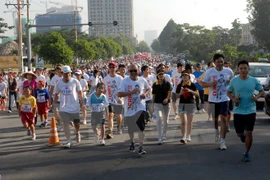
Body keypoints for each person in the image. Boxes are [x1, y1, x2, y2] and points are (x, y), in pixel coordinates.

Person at [227, 60, 264, 162]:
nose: (243, 70)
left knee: (249, 132)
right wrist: (234, 99)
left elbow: (262, 91)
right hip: (238, 110)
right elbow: (228, 92)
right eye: (241, 68)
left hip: (251, 110)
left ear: (248, 69)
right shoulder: (234, 81)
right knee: (239, 133)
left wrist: (257, 97)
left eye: (245, 68)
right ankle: (241, 135)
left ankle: (246, 153)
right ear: (238, 70)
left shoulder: (254, 80)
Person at [202, 53, 234, 150]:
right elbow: (203, 84)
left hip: (224, 98)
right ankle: (216, 130)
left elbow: (233, 82)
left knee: (224, 119)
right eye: (218, 62)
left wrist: (230, 83)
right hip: (213, 99)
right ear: (214, 62)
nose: (220, 63)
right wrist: (211, 84)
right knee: (215, 120)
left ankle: (222, 141)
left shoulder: (228, 71)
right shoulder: (209, 72)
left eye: (221, 61)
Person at [118, 64, 151, 155]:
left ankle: (141, 147)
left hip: (140, 107)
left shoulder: (142, 80)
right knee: (131, 129)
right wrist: (131, 92)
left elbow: (148, 88)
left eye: (134, 71)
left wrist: (144, 93)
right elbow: (119, 94)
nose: (133, 73)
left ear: (138, 71)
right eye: (131, 71)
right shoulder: (124, 81)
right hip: (129, 108)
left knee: (141, 127)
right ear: (128, 72)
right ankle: (132, 142)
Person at [54, 65, 83, 148]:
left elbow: (80, 92)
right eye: (65, 74)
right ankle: (69, 140)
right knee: (65, 123)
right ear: (62, 73)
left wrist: (81, 102)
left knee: (77, 124)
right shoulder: (59, 83)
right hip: (64, 107)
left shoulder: (75, 82)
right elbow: (56, 94)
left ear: (71, 73)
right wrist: (54, 103)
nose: (67, 75)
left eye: (69, 74)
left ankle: (77, 132)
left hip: (74, 106)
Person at [176, 70, 199, 144]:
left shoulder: (192, 85)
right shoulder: (179, 85)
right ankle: (183, 136)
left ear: (189, 77)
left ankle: (188, 135)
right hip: (182, 104)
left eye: (186, 76)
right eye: (183, 76)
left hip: (190, 104)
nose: (185, 77)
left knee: (189, 122)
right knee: (183, 121)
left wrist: (190, 91)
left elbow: (197, 94)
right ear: (181, 77)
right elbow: (176, 96)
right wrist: (181, 93)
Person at [103, 62, 124, 138]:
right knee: (110, 115)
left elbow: (123, 89)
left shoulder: (120, 78)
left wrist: (121, 98)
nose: (112, 69)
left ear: (116, 68)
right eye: (110, 67)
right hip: (109, 100)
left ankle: (119, 126)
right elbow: (104, 90)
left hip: (118, 100)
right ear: (108, 68)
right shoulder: (106, 78)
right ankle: (110, 131)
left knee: (118, 115)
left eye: (113, 67)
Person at [152, 70, 172, 145]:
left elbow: (169, 92)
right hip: (158, 104)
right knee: (159, 119)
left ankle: (164, 134)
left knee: (166, 120)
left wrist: (167, 99)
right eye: (160, 75)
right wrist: (153, 105)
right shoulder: (155, 84)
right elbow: (153, 95)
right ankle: (159, 137)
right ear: (157, 76)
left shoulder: (167, 83)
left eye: (162, 74)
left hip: (166, 104)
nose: (161, 76)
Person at [49, 65, 63, 130]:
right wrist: (50, 97)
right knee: (56, 114)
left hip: (64, 98)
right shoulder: (54, 78)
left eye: (59, 69)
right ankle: (60, 124)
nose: (58, 71)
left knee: (62, 113)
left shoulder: (65, 77)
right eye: (57, 70)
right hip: (55, 98)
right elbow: (52, 88)